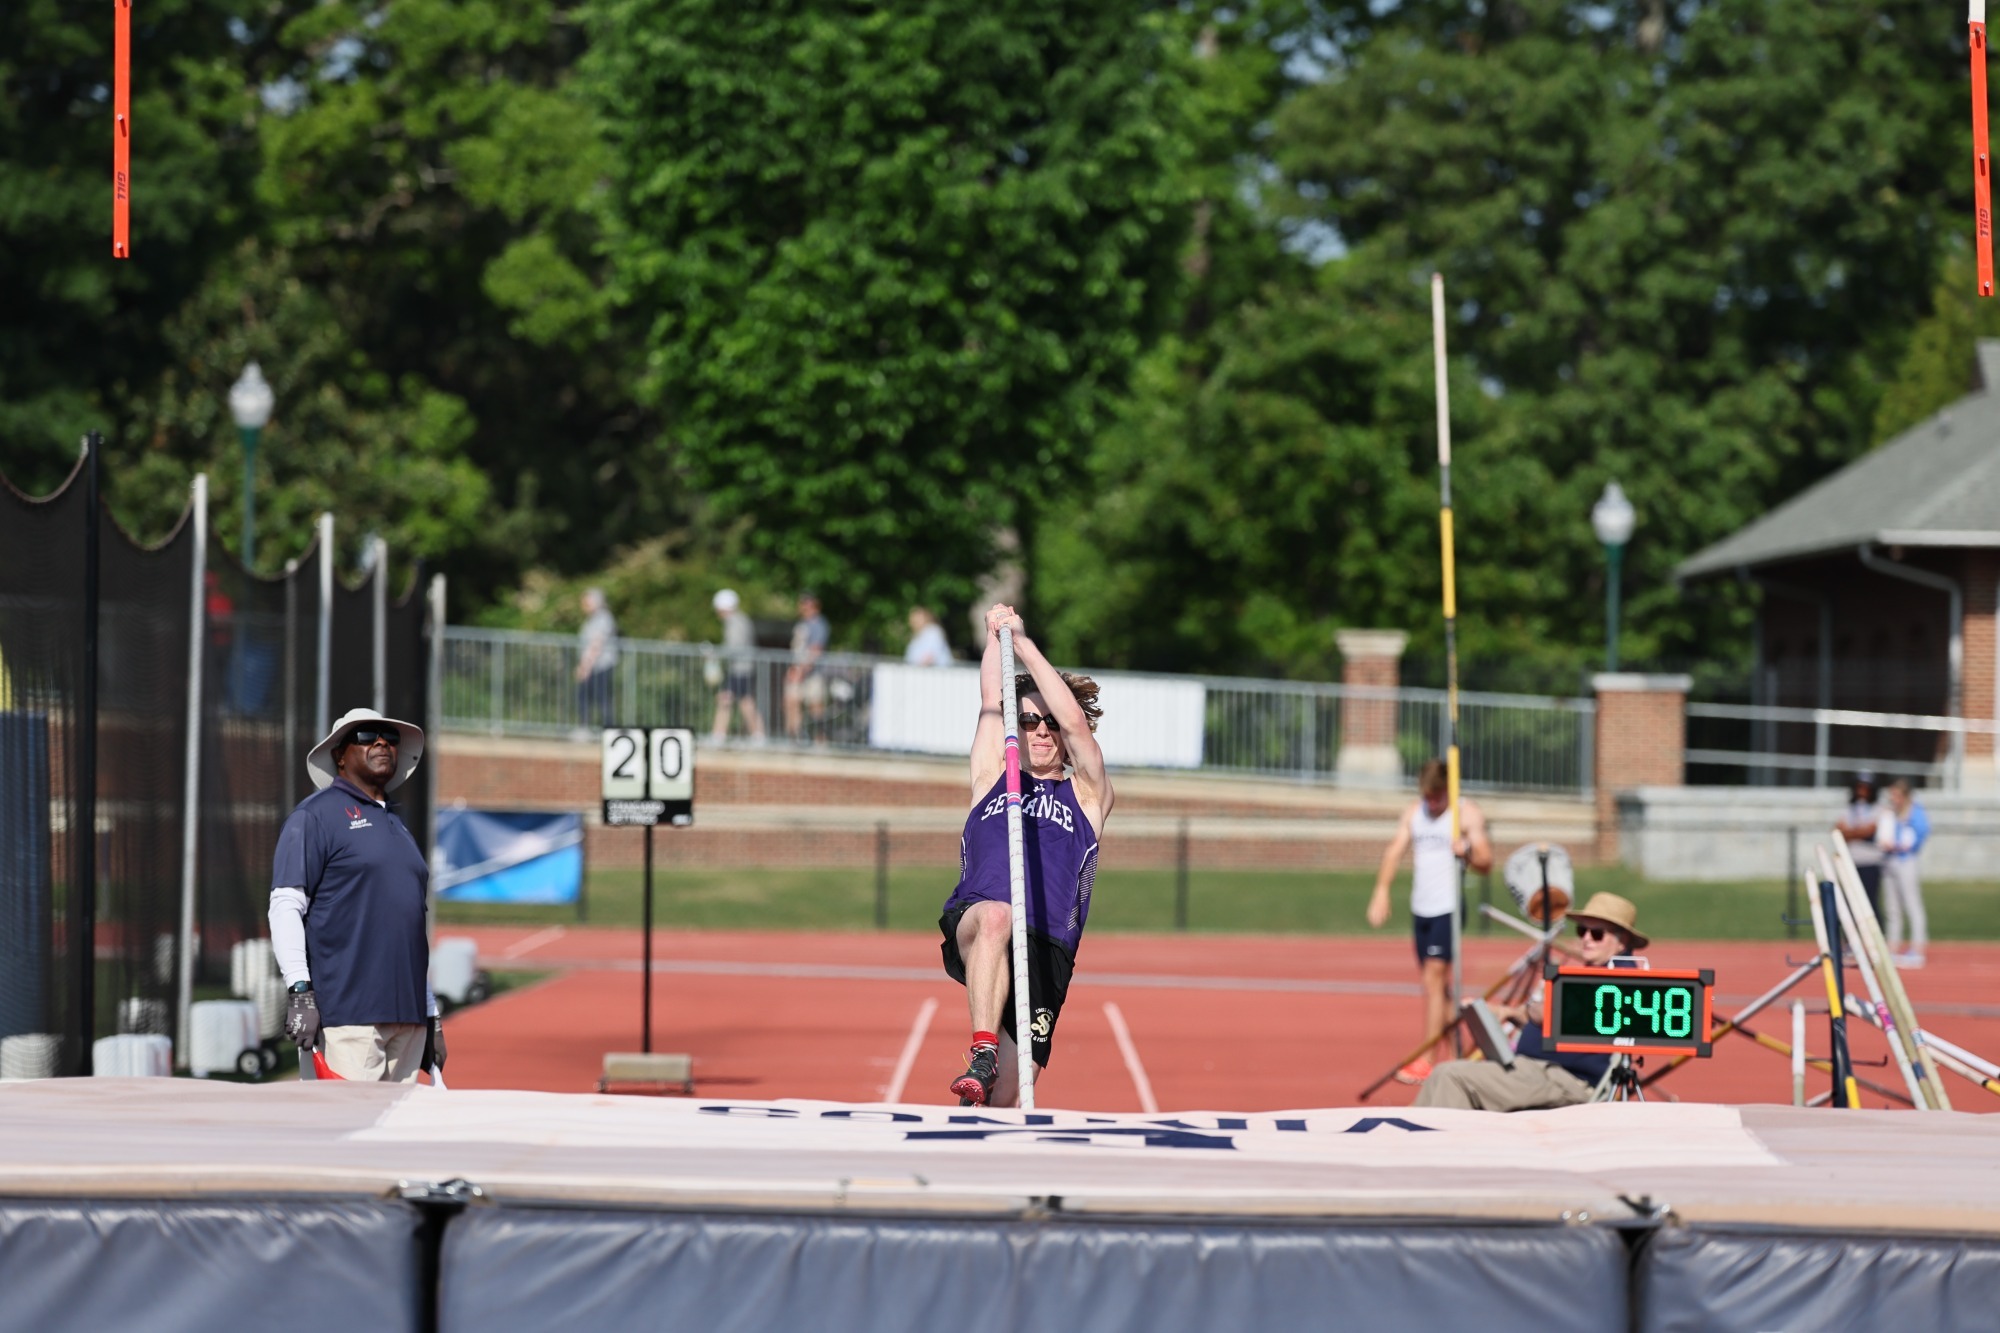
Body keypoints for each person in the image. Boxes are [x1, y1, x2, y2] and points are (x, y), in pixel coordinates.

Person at [938, 604, 1111, 1107]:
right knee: (996, 916)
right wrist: (996, 636)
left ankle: (977, 1152)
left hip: (1048, 947)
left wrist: (1024, 641)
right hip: (984, 917)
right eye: (1029, 719)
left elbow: (1079, 726)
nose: (1039, 730)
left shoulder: (1087, 795)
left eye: (1048, 722)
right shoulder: (995, 774)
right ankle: (983, 1049)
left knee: (1005, 1101)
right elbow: (992, 697)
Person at [268, 708, 442, 1082]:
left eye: (390, 738)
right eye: (365, 736)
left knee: (398, 1138)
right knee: (350, 1134)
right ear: (339, 755)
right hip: (350, 1017)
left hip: (408, 1019)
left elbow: (409, 927)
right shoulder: (315, 817)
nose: (381, 742)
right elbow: (285, 905)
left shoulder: (399, 827)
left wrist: (430, 1011)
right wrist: (300, 990)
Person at [1413, 893, 1649, 1111]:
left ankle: (1428, 1149)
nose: (1586, 939)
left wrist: (1532, 1009)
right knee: (1447, 1075)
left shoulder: (1620, 979)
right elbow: (1560, 1017)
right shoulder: (1595, 975)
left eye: (1596, 934)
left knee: (1451, 1075)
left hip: (1565, 1080)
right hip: (1539, 1072)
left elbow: (1554, 1015)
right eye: (1581, 931)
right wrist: (1510, 1013)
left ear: (1622, 941)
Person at [1366, 758, 1493, 1085]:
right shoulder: (1414, 812)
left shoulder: (1465, 813)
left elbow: (1486, 862)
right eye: (1427, 796)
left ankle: (1427, 1058)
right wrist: (1381, 891)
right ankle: (1457, 1055)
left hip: (1447, 907)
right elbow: (1394, 852)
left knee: (1433, 981)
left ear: (1449, 790)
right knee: (1439, 988)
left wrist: (1465, 850)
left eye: (1437, 796)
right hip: (1420, 908)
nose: (1431, 803)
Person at [1881, 778, 1930, 967]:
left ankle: (1917, 948)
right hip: (1890, 860)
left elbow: (1922, 832)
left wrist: (1905, 843)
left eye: (1896, 795)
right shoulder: (1890, 812)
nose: (1893, 798)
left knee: (1912, 904)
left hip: (1906, 861)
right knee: (1892, 908)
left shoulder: (1915, 811)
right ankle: (1892, 947)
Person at [707, 589, 767, 743]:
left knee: (742, 702)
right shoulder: (739, 619)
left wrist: (716, 654)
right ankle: (720, 734)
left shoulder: (735, 621)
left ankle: (756, 735)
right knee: (731, 700)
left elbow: (734, 646)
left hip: (741, 669)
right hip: (740, 668)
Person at [1836, 770, 1884, 922]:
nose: (1862, 791)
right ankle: (1850, 942)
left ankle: (1876, 940)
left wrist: (1851, 832)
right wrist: (1858, 832)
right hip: (1851, 861)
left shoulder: (1879, 810)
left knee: (1869, 902)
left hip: (1870, 862)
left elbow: (1870, 830)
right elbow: (1838, 831)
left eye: (1866, 788)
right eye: (1859, 787)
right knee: (1849, 902)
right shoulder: (1848, 809)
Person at [783, 591, 830, 742]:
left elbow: (815, 650)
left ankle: (820, 741)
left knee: (816, 708)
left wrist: (801, 670)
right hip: (798, 671)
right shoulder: (802, 624)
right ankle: (794, 739)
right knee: (791, 703)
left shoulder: (819, 624)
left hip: (812, 673)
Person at [573, 588, 619, 732]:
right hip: (592, 665)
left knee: (601, 698)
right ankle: (584, 727)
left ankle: (607, 730)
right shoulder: (592, 619)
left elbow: (596, 644)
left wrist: (585, 666)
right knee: (585, 696)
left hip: (600, 665)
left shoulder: (604, 618)